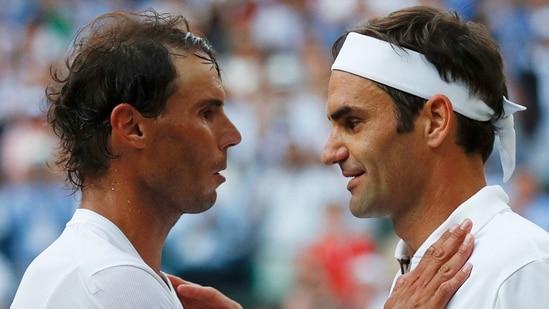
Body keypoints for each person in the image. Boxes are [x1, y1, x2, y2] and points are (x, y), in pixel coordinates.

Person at [10, 8, 474, 309]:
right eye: (207, 112)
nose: (232, 136)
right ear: (132, 127)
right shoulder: (108, 283)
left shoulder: (85, 269)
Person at [321, 5, 549, 308]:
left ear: (436, 121)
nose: (329, 153)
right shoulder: (411, 278)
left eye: (353, 123)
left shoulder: (521, 267)